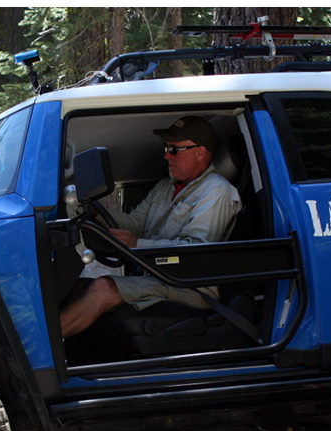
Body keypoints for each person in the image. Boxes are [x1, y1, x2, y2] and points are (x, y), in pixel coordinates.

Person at [60, 115, 242, 337]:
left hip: (190, 286)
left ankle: (38, 359)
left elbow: (195, 252)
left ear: (200, 152)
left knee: (103, 288)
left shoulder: (217, 191)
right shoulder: (165, 187)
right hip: (158, 276)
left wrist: (137, 245)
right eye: (166, 148)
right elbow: (137, 223)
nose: (166, 155)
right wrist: (98, 213)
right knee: (77, 286)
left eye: (174, 149)